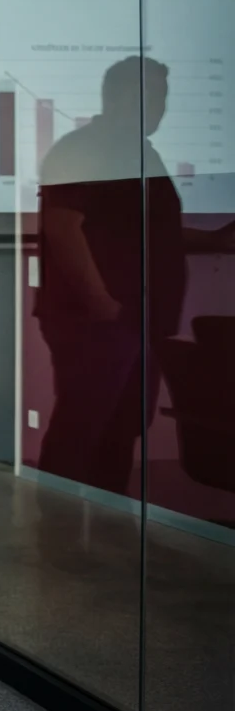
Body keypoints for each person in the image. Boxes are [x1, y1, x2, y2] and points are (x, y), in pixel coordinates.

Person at [34, 57, 234, 495]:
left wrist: (215, 240)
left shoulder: (140, 152)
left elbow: (147, 228)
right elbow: (62, 225)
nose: (163, 107)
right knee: (82, 430)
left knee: (119, 432)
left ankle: (106, 537)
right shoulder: (86, 148)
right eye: (157, 95)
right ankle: (54, 541)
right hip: (103, 323)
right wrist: (103, 305)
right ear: (125, 96)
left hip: (136, 322)